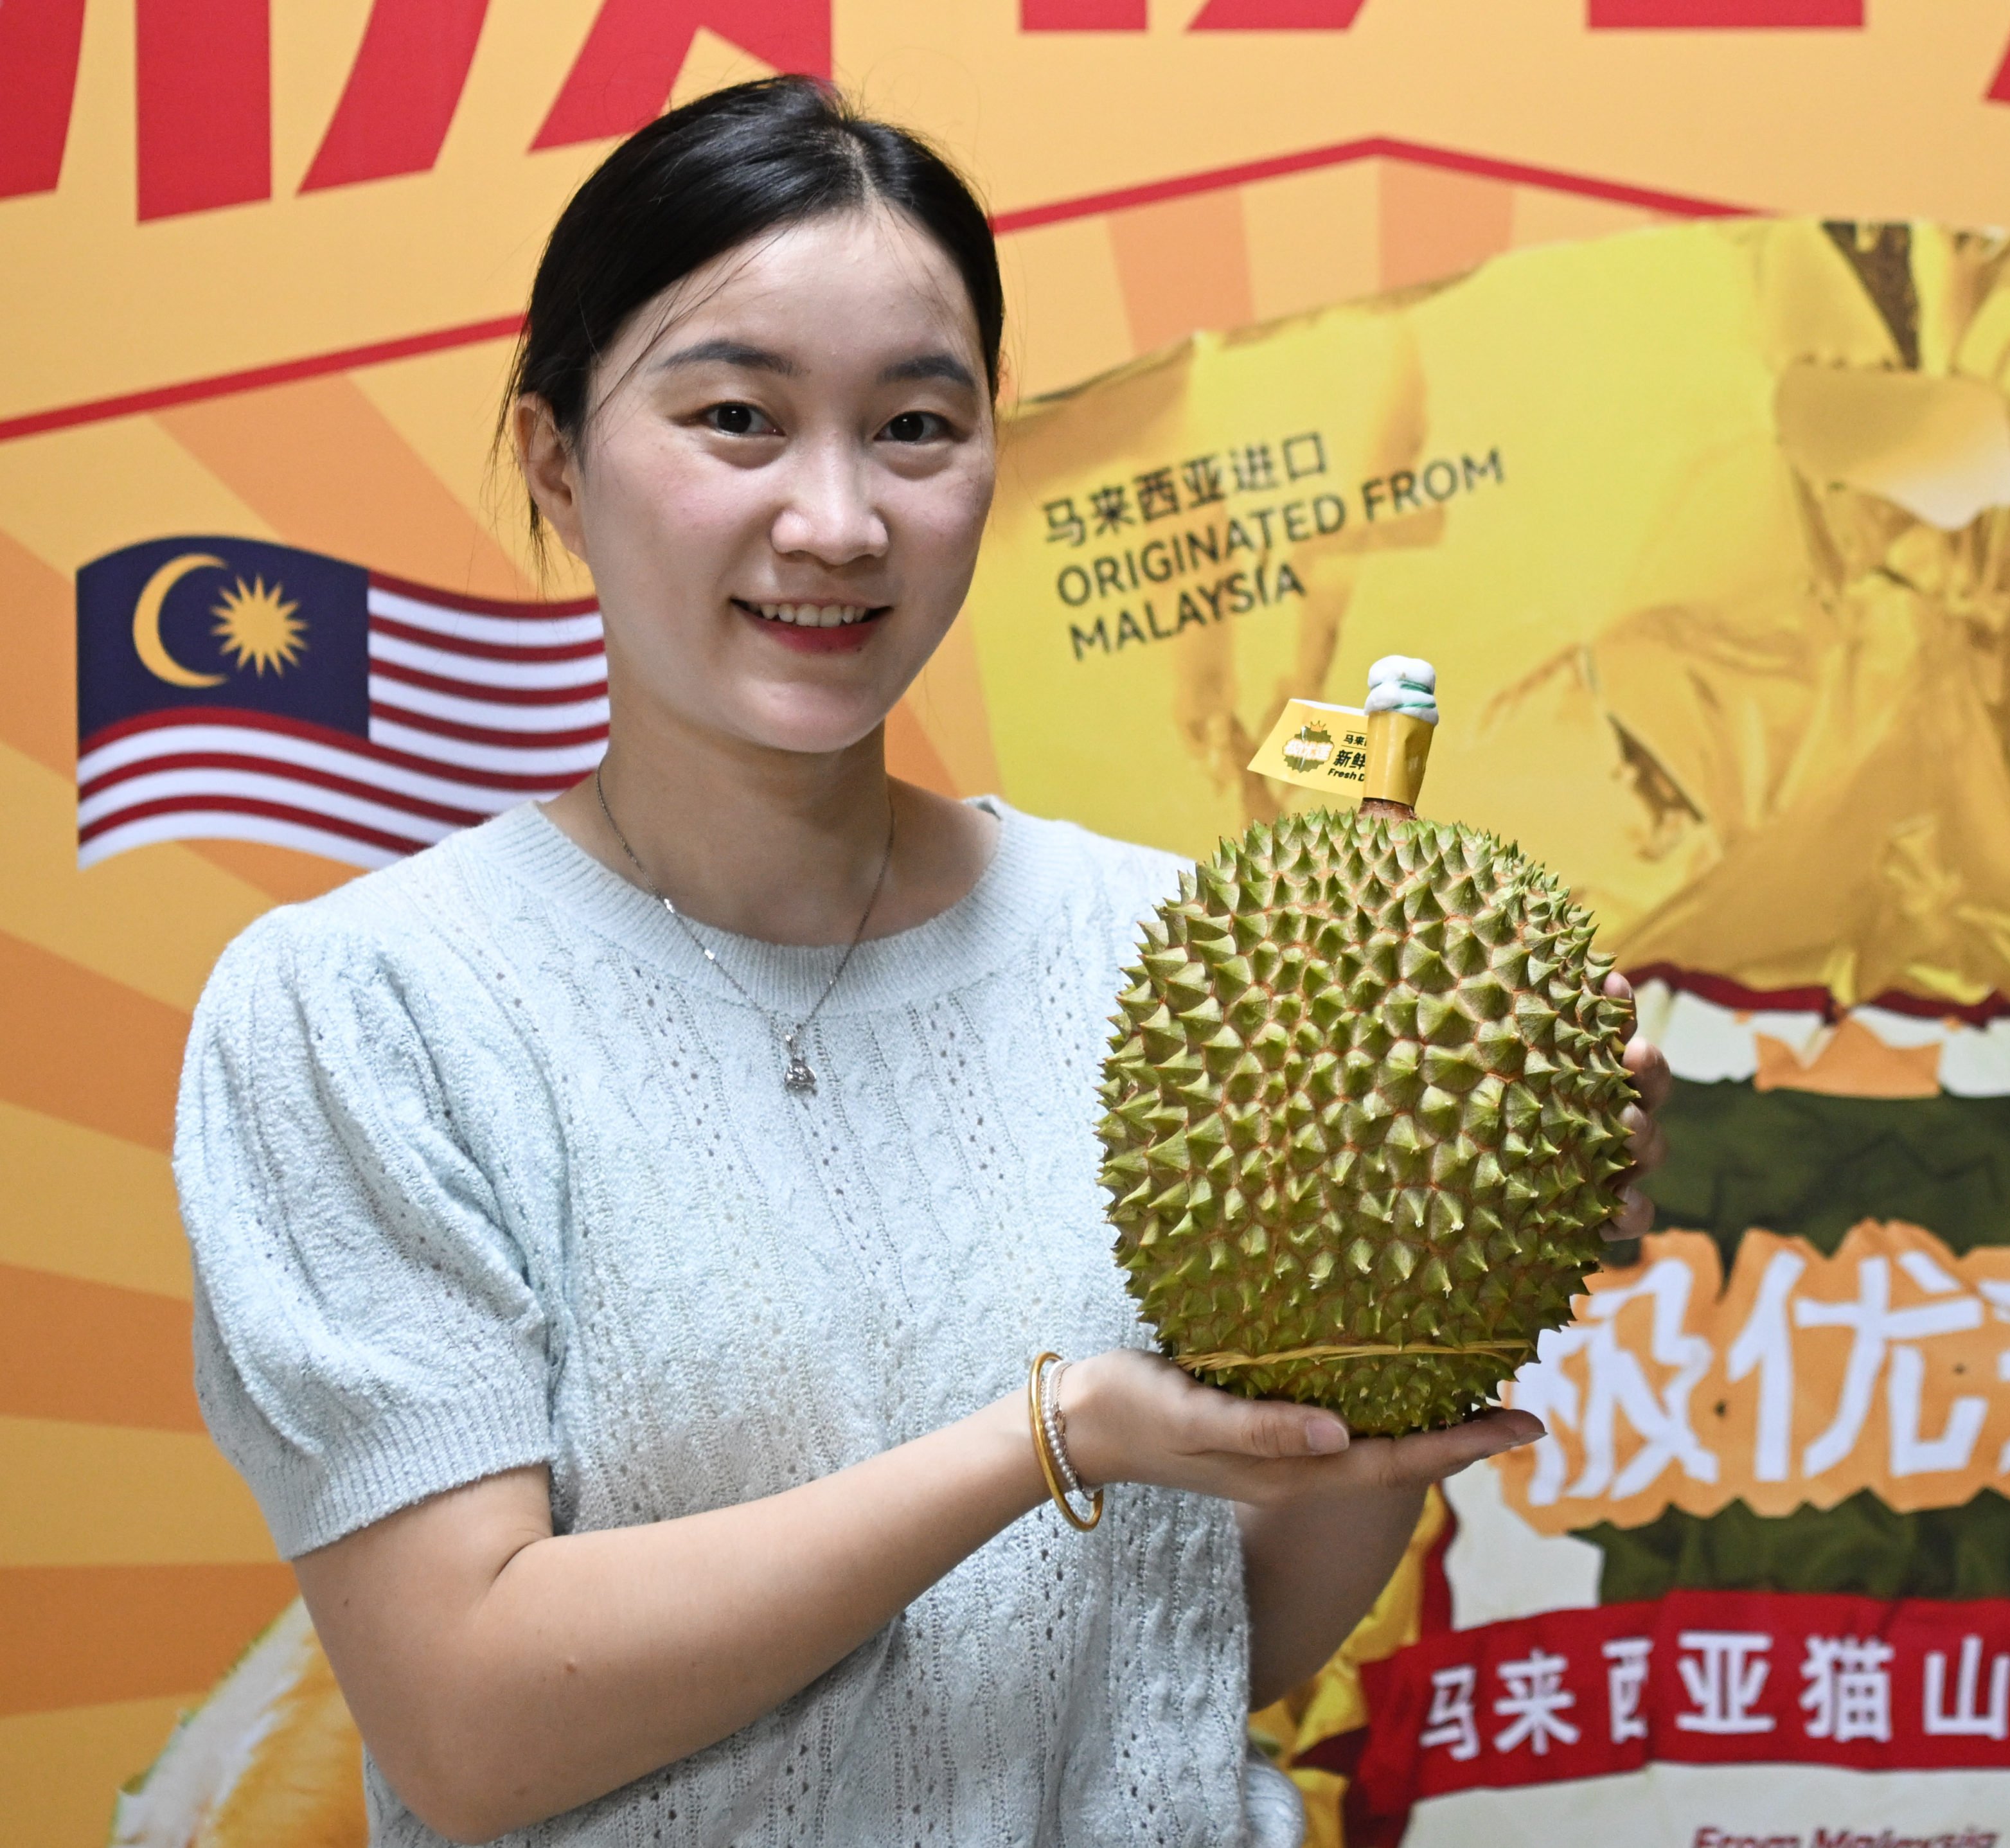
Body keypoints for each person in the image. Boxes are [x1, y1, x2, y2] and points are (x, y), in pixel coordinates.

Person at [175, 76, 1668, 1848]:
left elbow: (1206, 1649)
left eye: (914, 426)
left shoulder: (1172, 947)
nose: (838, 520)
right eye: (738, 416)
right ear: (557, 462)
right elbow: (474, 1717)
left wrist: (1421, 1335)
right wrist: (1043, 1438)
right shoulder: (371, 1013)